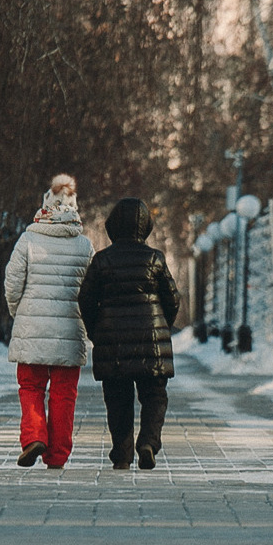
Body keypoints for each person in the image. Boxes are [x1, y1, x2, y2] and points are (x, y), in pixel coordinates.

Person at [78, 197, 180, 470]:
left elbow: (85, 300)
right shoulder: (155, 258)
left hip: (114, 342)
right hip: (151, 340)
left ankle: (122, 454)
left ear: (112, 226)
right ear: (145, 226)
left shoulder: (102, 261)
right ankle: (148, 442)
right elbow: (173, 299)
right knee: (155, 396)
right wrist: (161, 327)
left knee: (118, 399)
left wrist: (96, 332)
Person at [4, 174, 94, 468]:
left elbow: (12, 283)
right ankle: (57, 454)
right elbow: (92, 292)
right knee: (64, 394)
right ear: (73, 209)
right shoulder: (84, 246)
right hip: (70, 330)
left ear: (45, 206)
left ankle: (33, 438)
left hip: (32, 327)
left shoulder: (28, 240)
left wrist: (19, 313)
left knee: (30, 386)